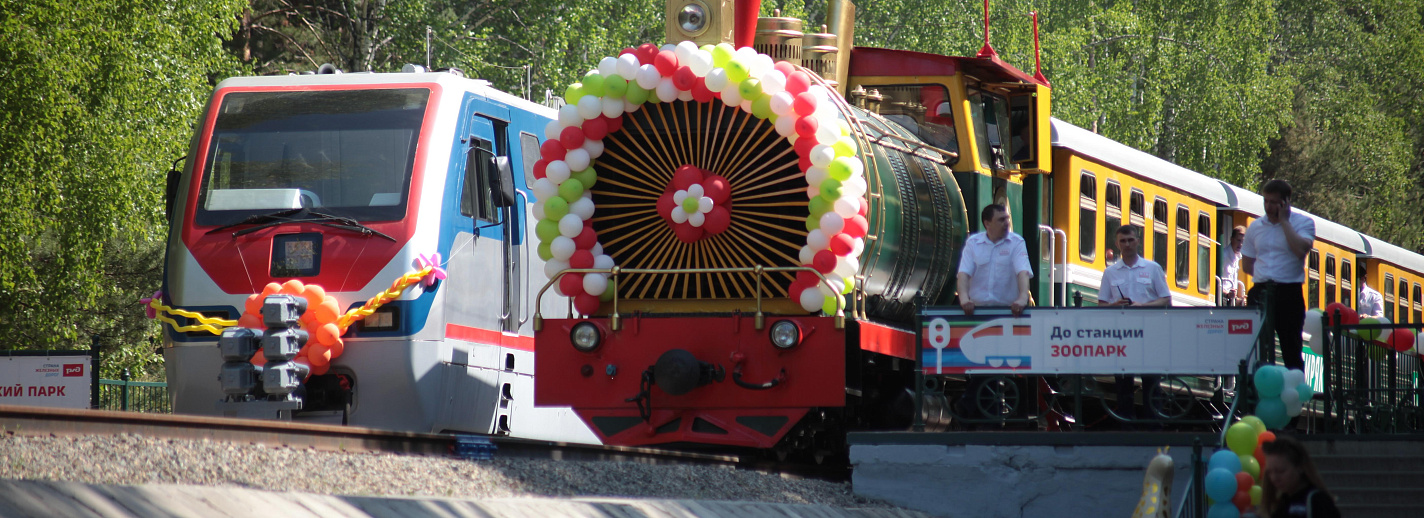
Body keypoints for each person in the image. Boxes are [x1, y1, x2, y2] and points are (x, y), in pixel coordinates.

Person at [1099, 226, 1171, 422]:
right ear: (1117, 244)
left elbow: (1165, 299)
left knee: (1152, 384)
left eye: (1130, 240)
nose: (1127, 244)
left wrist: (1142, 305)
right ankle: (1126, 430)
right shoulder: (1110, 272)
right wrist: (1115, 305)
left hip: (1150, 333)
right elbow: (1101, 305)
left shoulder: (1152, 268)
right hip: (1122, 335)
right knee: (1123, 386)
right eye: (1123, 241)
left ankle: (1154, 429)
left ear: (1138, 241)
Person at [1243, 179, 1315, 371]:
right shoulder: (1256, 227)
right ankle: (1255, 392)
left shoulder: (1303, 223)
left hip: (1289, 292)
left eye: (1274, 202)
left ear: (1286, 202)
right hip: (1261, 291)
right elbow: (1247, 263)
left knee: (1290, 348)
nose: (1268, 206)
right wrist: (1266, 275)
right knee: (1256, 347)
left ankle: (1294, 394)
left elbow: (1301, 250)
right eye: (1266, 201)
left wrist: (1284, 221)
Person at [957, 204, 1033, 317]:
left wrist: (1022, 299)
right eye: (1001, 220)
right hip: (977, 312)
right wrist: (964, 300)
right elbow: (963, 274)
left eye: (1007, 218)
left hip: (1009, 312)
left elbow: (1023, 272)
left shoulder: (1016, 243)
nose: (1007, 223)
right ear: (987, 224)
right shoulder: (973, 243)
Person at [1258, 435, 1341, 518]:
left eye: (1281, 471)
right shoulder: (1281, 503)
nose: (1274, 478)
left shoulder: (1317, 501)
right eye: (1269, 472)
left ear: (1300, 467)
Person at [1222, 226, 1246, 306]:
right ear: (1231, 239)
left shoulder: (1238, 257)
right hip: (1223, 298)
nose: (1241, 244)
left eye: (1243, 241)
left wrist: (1240, 298)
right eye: (1238, 240)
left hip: (1231, 299)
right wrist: (1227, 294)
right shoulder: (1223, 256)